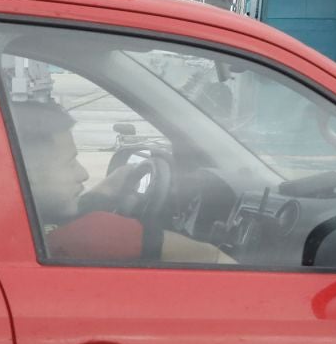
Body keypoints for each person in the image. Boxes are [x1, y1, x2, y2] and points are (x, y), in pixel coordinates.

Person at [13, 101, 230, 265]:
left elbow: (65, 217)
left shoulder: (23, 228)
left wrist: (106, 190)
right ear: (26, 172)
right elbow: (214, 258)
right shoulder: (95, 235)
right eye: (69, 163)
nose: (83, 174)